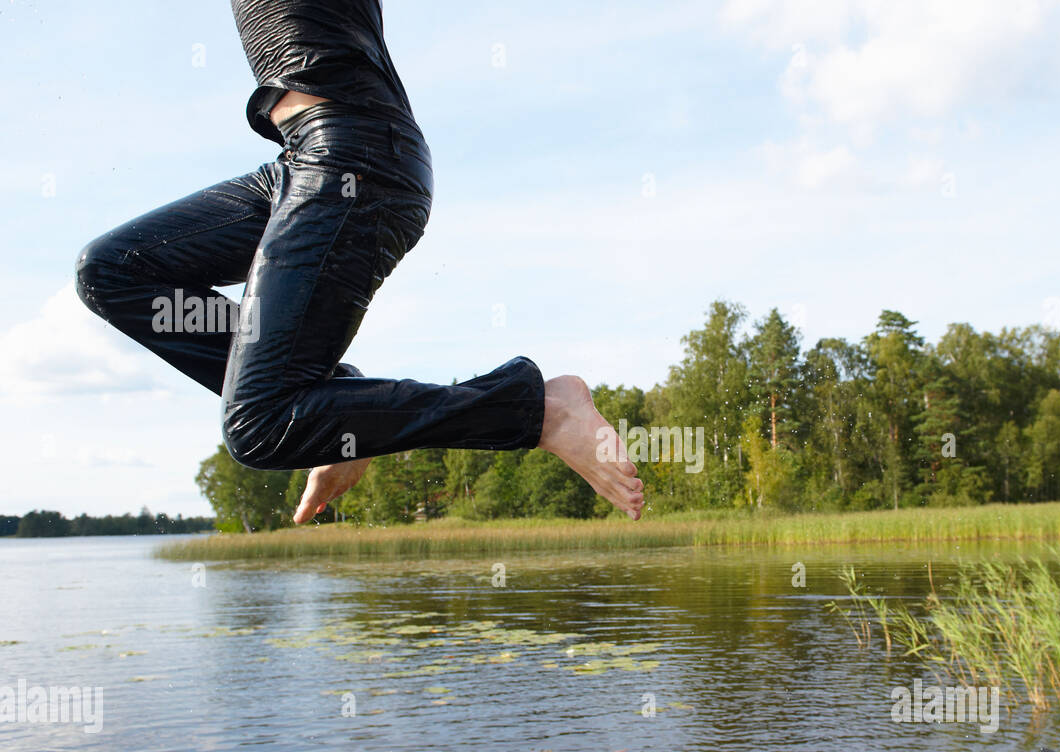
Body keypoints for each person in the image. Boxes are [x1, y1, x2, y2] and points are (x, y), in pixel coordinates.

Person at [74, 0, 644, 523]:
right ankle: (336, 408)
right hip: (302, 159)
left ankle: (539, 410)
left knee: (259, 427)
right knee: (111, 268)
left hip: (356, 157)